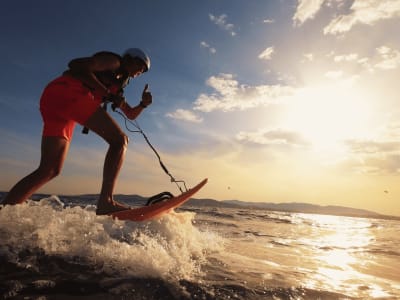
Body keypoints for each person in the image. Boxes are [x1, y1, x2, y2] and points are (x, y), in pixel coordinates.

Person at [1, 48, 152, 215]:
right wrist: (106, 92)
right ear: (129, 58)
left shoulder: (118, 84)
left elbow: (130, 114)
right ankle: (106, 202)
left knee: (50, 169)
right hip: (68, 92)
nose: (141, 71)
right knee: (119, 141)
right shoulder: (114, 62)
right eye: (140, 65)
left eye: (144, 70)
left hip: (55, 101)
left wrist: (143, 104)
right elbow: (76, 65)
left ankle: (4, 212)